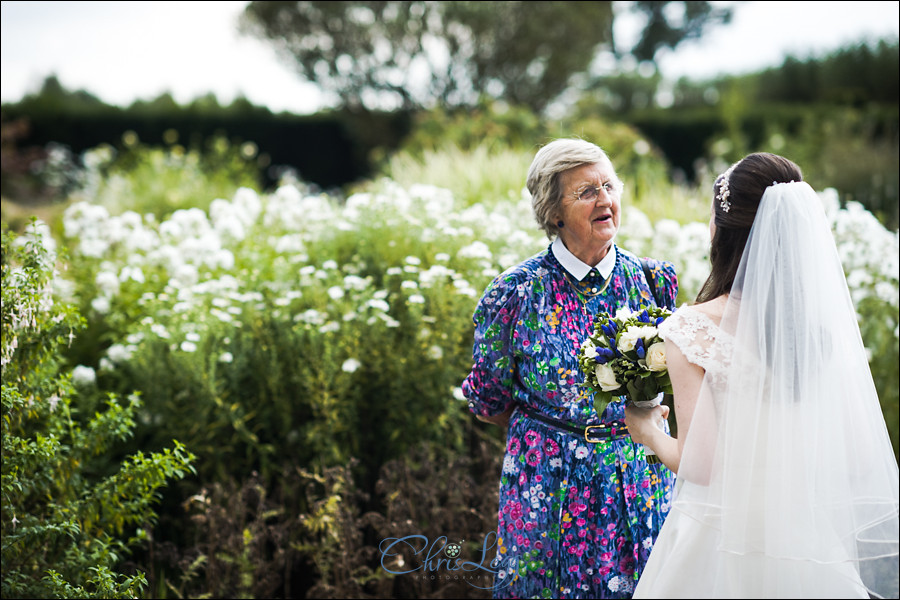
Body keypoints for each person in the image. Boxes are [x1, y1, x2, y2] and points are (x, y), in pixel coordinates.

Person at [624, 152, 900, 598]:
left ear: (724, 231)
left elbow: (702, 464)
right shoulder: (818, 332)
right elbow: (856, 459)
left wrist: (648, 431)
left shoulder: (692, 328)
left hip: (722, 540)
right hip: (805, 539)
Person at [462, 138, 679, 599]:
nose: (605, 200)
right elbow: (487, 400)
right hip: (549, 492)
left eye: (609, 186)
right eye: (586, 192)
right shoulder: (515, 295)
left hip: (640, 485)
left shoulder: (654, 282)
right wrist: (559, 434)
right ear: (553, 211)